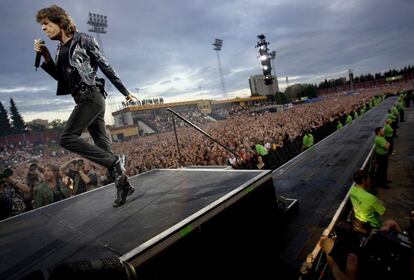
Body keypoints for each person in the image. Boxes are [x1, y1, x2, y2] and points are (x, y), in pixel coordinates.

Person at [34, 5, 137, 207]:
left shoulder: (84, 40)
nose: (44, 29)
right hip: (84, 99)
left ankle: (115, 161)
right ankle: (124, 186)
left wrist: (126, 92)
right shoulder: (59, 49)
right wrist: (46, 55)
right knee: (103, 147)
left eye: (47, 24)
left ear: (60, 21)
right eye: (42, 26)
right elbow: (62, 79)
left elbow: (106, 66)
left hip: (91, 96)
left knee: (67, 137)